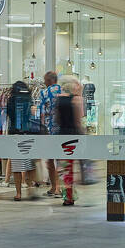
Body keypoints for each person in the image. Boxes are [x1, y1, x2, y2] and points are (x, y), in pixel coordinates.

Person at [55, 75, 86, 207]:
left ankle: (67, 195)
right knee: (75, 167)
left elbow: (57, 119)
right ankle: (70, 194)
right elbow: (79, 120)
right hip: (74, 135)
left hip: (62, 135)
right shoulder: (77, 100)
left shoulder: (58, 100)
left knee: (64, 167)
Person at [6, 78, 35, 200]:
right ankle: (30, 189)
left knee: (17, 165)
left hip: (14, 133)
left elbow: (8, 115)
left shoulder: (11, 99)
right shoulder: (29, 99)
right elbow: (33, 115)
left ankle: (18, 193)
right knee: (30, 164)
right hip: (27, 132)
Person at [38, 70, 62, 197]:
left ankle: (55, 187)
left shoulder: (44, 92)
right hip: (61, 131)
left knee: (49, 160)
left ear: (49, 81)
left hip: (49, 130)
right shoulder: (63, 91)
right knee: (59, 159)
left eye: (45, 80)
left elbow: (41, 113)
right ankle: (57, 187)